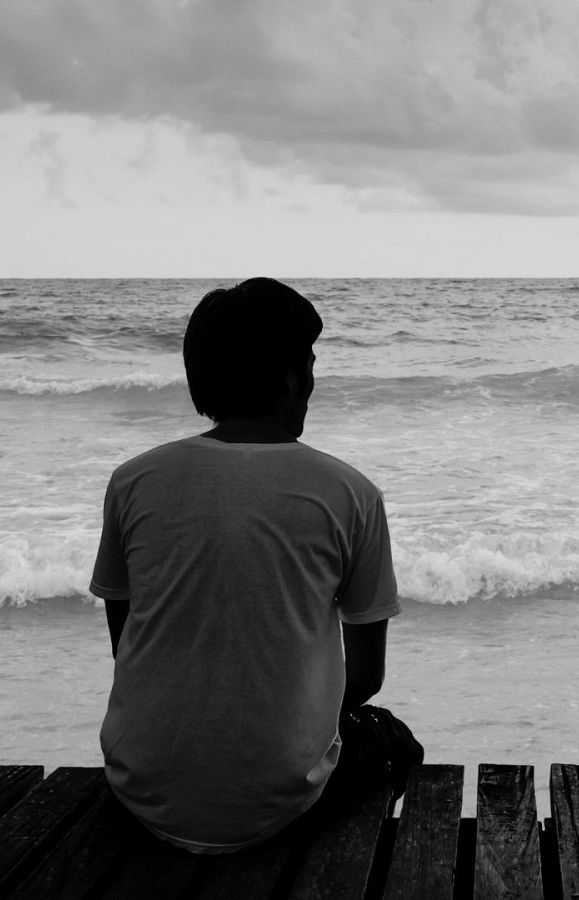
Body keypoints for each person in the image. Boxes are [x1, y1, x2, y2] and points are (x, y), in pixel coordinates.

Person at [89, 277, 401, 854]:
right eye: (309, 363)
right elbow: (364, 679)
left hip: (141, 783)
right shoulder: (351, 493)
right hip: (279, 800)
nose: (313, 381)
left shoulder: (133, 482)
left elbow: (126, 646)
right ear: (289, 376)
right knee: (393, 742)